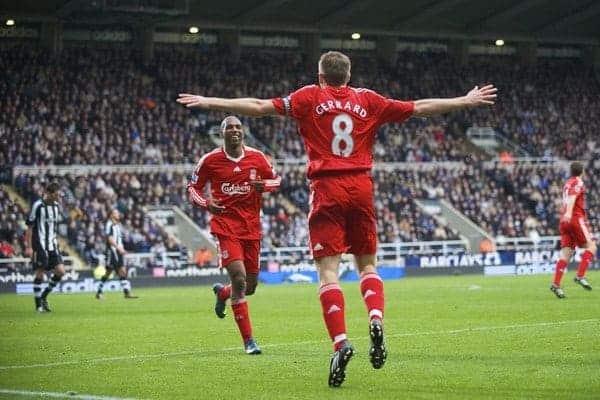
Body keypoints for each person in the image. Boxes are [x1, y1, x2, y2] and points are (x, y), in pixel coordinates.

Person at [177, 51, 496, 385]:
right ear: (348, 75)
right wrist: (465, 100)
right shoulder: (368, 100)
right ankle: (375, 317)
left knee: (328, 271)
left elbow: (258, 106)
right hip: (361, 187)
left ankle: (341, 342)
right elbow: (419, 107)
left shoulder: (308, 97)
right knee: (367, 266)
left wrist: (209, 101)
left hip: (326, 189)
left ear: (320, 75)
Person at [187, 115, 281, 355]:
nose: (235, 130)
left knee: (249, 287)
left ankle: (223, 292)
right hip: (225, 226)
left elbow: (276, 180)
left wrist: (266, 186)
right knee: (239, 278)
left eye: (238, 127)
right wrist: (207, 205)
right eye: (230, 127)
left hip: (251, 228)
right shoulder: (210, 160)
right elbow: (193, 188)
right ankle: (249, 341)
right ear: (223, 133)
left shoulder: (257, 158)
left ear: (243, 132)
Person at [551, 161, 595, 298]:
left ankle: (556, 285)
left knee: (567, 253)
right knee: (592, 246)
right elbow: (573, 197)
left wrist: (566, 214)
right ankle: (580, 276)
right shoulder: (578, 182)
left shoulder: (567, 183)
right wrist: (569, 213)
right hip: (575, 218)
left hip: (564, 221)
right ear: (582, 171)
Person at [25, 182, 65, 313]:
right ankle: (38, 306)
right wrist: (29, 247)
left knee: (61, 271)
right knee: (40, 273)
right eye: (56, 194)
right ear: (49, 193)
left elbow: (53, 226)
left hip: (52, 244)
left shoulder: (56, 206)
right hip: (39, 244)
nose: (58, 197)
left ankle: (43, 297)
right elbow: (30, 228)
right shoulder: (37, 206)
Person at [95, 209, 138, 300]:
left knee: (117, 271)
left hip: (118, 251)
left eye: (118, 213)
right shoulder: (109, 224)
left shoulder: (117, 225)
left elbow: (118, 239)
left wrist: (121, 248)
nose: (118, 214)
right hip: (112, 251)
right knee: (113, 271)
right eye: (116, 213)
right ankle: (100, 292)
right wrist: (118, 248)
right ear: (111, 215)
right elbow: (110, 239)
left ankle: (126, 293)